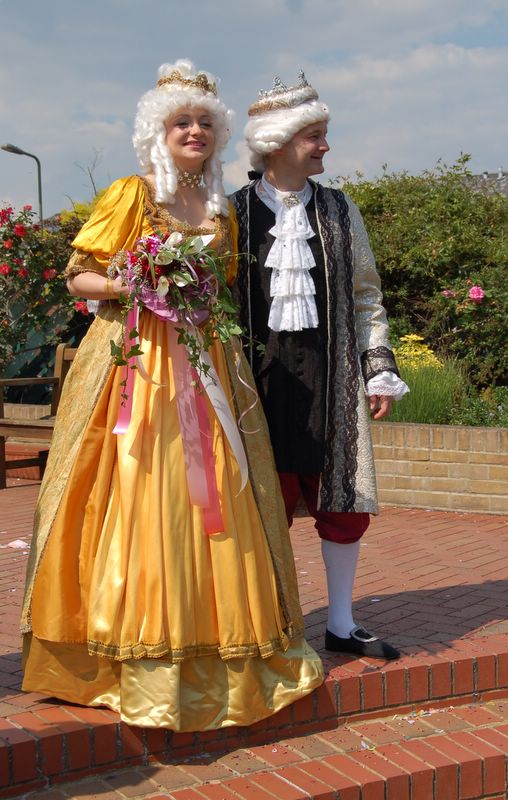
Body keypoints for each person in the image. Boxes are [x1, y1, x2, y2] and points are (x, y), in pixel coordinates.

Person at [20, 60, 323, 731]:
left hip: (209, 362)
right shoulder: (132, 195)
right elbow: (80, 278)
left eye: (204, 123)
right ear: (158, 132)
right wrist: (139, 284)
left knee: (218, 492)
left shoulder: (221, 210)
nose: (194, 132)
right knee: (144, 488)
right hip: (136, 366)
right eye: (182, 122)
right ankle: (131, 654)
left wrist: (194, 292)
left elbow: (226, 288)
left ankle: (219, 643)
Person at [231, 72, 409, 661]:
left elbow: (366, 295)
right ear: (278, 142)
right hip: (255, 387)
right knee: (261, 508)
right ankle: (268, 627)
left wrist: (377, 366)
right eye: (315, 135)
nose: (325, 146)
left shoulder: (337, 209)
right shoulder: (228, 215)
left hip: (330, 380)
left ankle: (340, 622)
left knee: (341, 504)